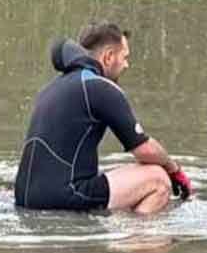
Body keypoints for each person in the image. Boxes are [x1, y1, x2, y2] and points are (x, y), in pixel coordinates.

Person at [15, 22, 192, 214]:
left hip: (25, 197)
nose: (126, 65)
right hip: (63, 196)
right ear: (108, 57)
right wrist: (174, 170)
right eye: (124, 57)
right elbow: (145, 150)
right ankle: (137, 239)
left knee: (127, 172)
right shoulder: (99, 87)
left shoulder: (51, 88)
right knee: (158, 179)